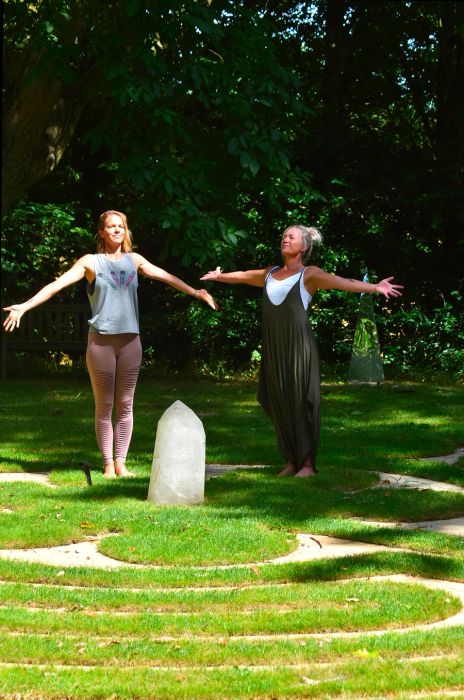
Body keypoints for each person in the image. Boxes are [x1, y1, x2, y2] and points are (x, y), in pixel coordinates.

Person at [3, 210, 217, 478]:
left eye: (121, 226)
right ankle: (107, 464)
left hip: (131, 342)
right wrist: (24, 306)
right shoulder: (91, 262)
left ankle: (121, 463)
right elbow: (56, 285)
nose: (117, 230)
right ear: (101, 232)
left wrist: (196, 292)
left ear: (126, 231)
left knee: (125, 405)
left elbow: (164, 275)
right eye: (111, 227)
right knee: (104, 406)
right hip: (101, 343)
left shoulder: (134, 260)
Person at [200, 224, 403, 477]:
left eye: (291, 237)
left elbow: (342, 282)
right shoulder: (269, 273)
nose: (285, 239)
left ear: (304, 246)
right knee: (275, 398)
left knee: (300, 400)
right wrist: (219, 277)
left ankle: (306, 463)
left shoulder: (310, 274)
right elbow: (242, 275)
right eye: (284, 235)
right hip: (274, 347)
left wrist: (375, 287)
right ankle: (291, 459)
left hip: (298, 347)